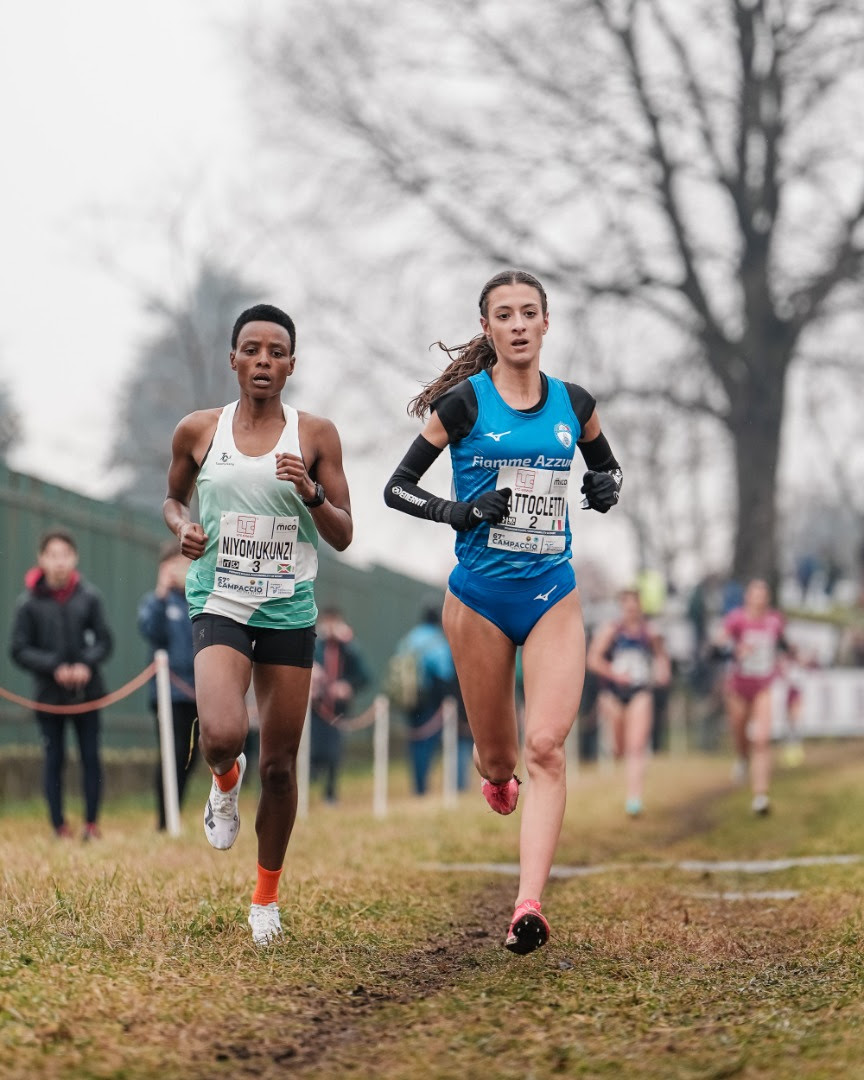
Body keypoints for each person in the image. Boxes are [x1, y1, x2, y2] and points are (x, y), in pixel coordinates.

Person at [384, 269, 622, 954]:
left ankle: (528, 904)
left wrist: (604, 487)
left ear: (547, 324)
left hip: (552, 594)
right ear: (487, 329)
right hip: (479, 602)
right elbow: (397, 489)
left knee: (546, 747)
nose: (518, 325)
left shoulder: (574, 405)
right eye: (504, 315)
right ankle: (496, 779)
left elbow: (608, 473)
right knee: (501, 758)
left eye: (529, 313)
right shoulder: (464, 405)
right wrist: (460, 512)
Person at [162, 303, 353, 945]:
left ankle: (265, 899)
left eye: (277, 351)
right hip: (220, 595)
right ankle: (222, 779)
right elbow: (172, 499)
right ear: (234, 359)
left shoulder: (316, 435)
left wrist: (312, 494)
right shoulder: (198, 430)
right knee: (220, 734)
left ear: (292, 365)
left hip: (288, 607)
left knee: (279, 766)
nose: (264, 360)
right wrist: (182, 529)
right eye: (252, 349)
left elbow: (345, 535)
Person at [9, 529, 113, 840]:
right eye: (52, 555)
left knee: (90, 757)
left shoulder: (90, 597)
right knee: (54, 760)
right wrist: (53, 666)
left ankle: (91, 825)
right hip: (48, 697)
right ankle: (59, 826)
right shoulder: (27, 604)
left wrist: (85, 664)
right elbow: (18, 649)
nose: (59, 562)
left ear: (74, 558)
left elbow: (105, 642)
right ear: (41, 559)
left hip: (88, 694)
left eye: (65, 555)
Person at [586, 588, 671, 817]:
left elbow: (662, 657)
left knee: (636, 746)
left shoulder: (649, 632)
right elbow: (593, 659)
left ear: (640, 608)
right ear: (621, 608)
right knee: (619, 749)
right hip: (613, 695)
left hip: (640, 691)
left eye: (635, 606)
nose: (631, 611)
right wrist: (615, 674)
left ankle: (634, 799)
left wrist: (663, 672)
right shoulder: (611, 631)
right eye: (627, 606)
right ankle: (622, 761)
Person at [716, 578, 794, 815]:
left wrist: (789, 658)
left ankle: (760, 796)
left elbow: (783, 645)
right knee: (741, 733)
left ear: (767, 598)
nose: (759, 598)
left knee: (761, 739)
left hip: (763, 686)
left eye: (763, 594)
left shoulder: (774, 621)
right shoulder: (736, 619)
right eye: (755, 593)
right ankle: (741, 759)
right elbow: (717, 644)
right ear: (747, 596)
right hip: (738, 687)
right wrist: (735, 650)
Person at [137, 539, 199, 831]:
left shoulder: (200, 600)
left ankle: (176, 810)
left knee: (193, 756)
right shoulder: (156, 602)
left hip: (198, 693)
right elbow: (151, 631)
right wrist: (161, 594)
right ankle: (164, 819)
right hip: (168, 694)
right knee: (171, 753)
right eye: (174, 563)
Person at [393, 604, 459, 795]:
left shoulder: (409, 638)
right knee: (426, 742)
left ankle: (417, 784)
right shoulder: (437, 641)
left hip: (409, 698)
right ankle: (422, 787)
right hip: (429, 698)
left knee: (414, 742)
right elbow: (444, 672)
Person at [309, 606, 369, 803]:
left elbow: (364, 676)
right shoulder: (316, 645)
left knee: (334, 754)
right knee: (315, 751)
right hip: (316, 709)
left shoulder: (349, 648)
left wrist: (347, 686)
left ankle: (330, 794)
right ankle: (309, 786)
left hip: (339, 711)